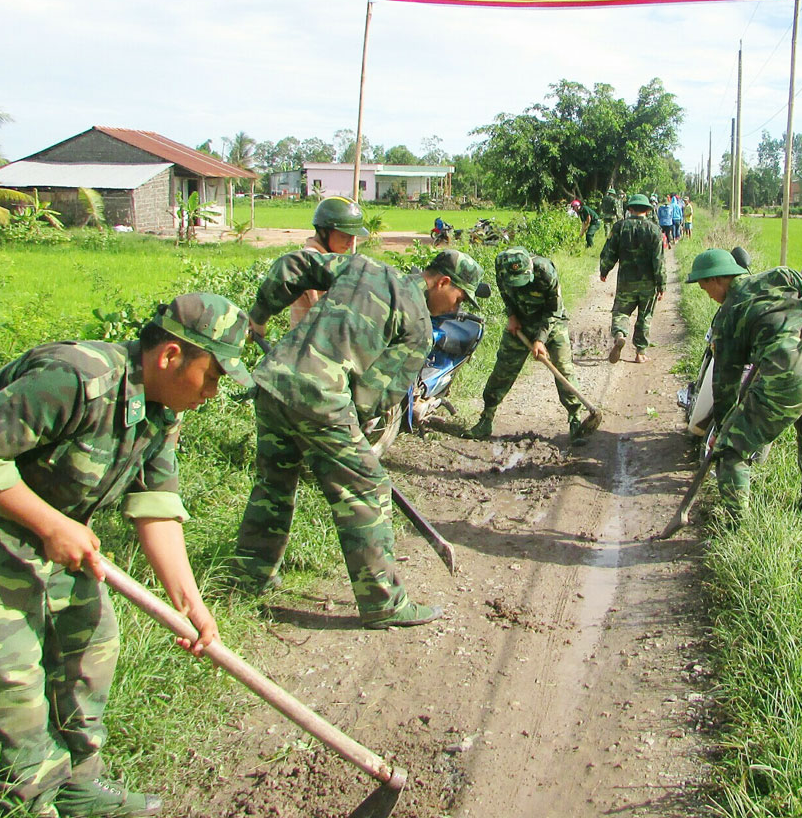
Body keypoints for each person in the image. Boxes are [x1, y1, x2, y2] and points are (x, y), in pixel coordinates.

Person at [0, 294, 254, 817]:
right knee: (12, 675)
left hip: (49, 535)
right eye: (213, 375)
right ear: (170, 356)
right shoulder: (74, 379)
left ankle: (78, 782)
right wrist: (52, 524)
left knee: (91, 643)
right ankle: (28, 799)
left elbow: (154, 508)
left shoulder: (161, 410)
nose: (215, 392)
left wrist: (189, 603)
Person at [234, 248, 486, 629]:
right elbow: (373, 397)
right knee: (367, 490)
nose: (455, 308)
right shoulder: (418, 326)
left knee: (274, 484)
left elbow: (293, 265)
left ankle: (250, 577)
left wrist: (259, 316)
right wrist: (352, 431)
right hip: (320, 398)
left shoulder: (364, 266)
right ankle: (384, 603)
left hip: (272, 382)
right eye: (459, 298)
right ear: (442, 282)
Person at [685, 249, 802, 516]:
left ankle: (736, 523)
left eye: (705, 289)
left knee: (732, 451)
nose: (708, 296)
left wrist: (723, 431)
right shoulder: (782, 275)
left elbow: (725, 382)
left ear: (717, 280)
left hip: (786, 377)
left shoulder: (729, 314)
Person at [467, 247, 588, 445]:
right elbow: (504, 292)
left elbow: (554, 310)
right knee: (503, 369)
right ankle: (486, 419)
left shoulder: (545, 271)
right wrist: (512, 316)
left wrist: (540, 340)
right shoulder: (501, 266)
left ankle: (575, 420)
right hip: (520, 322)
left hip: (551, 323)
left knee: (564, 369)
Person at [600, 193, 665, 364]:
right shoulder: (654, 230)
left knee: (621, 312)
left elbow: (609, 252)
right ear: (648, 210)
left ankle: (620, 334)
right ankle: (640, 353)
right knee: (645, 316)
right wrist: (661, 284)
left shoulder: (619, 227)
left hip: (626, 282)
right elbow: (658, 260)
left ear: (629, 209)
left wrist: (604, 270)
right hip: (648, 283)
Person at [290, 196, 367, 326]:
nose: (351, 241)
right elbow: (328, 316)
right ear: (324, 232)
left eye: (353, 236)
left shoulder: (323, 259)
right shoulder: (314, 262)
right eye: (344, 235)